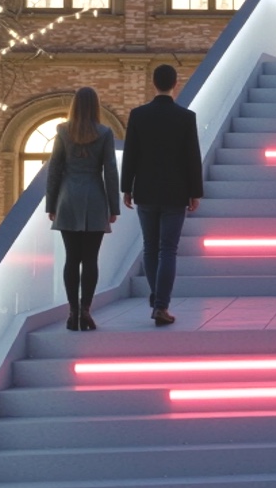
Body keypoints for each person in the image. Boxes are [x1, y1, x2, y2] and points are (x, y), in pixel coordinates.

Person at [120, 64, 201, 327]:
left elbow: (131, 154)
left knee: (150, 247)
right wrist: (195, 192)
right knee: (168, 249)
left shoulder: (138, 115)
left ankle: (157, 300)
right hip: (175, 192)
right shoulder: (185, 117)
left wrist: (127, 188)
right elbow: (192, 158)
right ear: (174, 84)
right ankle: (161, 305)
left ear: (153, 84)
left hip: (145, 190)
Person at [45, 86, 118, 332]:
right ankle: (86, 309)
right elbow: (110, 171)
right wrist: (114, 206)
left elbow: (54, 169)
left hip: (68, 198)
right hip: (95, 198)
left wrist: (51, 204)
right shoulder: (105, 133)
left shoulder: (63, 131)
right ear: (95, 106)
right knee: (90, 259)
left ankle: (72, 311)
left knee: (71, 258)